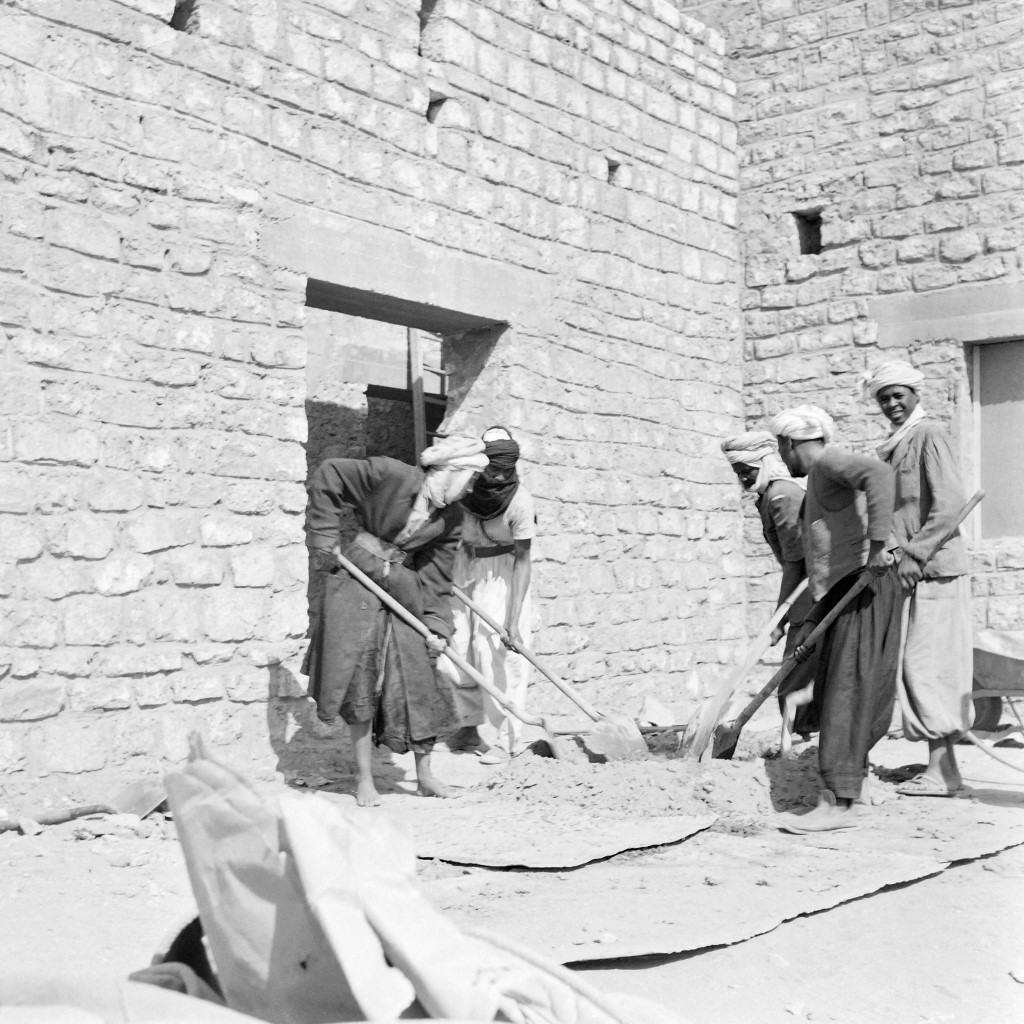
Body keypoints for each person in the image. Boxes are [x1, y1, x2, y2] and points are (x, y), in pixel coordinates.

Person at [302, 435, 488, 806]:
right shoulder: (391, 474)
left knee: (419, 676)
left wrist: (437, 626)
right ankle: (365, 780)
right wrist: (325, 536)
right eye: (468, 479)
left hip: (403, 587)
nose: (470, 489)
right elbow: (329, 474)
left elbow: (437, 578)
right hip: (357, 576)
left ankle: (424, 776)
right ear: (451, 472)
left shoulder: (451, 519)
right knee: (360, 677)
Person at [770, 405, 902, 833]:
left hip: (865, 583)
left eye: (780, 446)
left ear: (791, 443)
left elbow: (880, 476)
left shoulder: (828, 462)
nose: (780, 456)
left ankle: (838, 801)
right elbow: (824, 561)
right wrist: (810, 620)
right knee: (849, 687)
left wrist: (880, 544)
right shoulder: (817, 484)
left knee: (847, 688)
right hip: (850, 587)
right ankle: (855, 794)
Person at [866, 361, 973, 796]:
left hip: (937, 571)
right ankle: (941, 770)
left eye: (898, 395)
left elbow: (949, 504)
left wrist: (916, 552)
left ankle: (945, 774)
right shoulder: (893, 447)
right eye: (883, 397)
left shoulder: (929, 435)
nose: (892, 404)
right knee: (914, 670)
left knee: (929, 668)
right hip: (910, 573)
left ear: (915, 394)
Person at [443, 426, 536, 764]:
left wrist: (512, 618)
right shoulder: (466, 487)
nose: (498, 477)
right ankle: (468, 726)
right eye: (492, 469)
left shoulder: (520, 502)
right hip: (464, 567)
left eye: (505, 470)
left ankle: (507, 739)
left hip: (503, 574)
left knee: (498, 652)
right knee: (458, 648)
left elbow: (524, 561)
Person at [720, 431, 817, 743]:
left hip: (813, 594)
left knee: (793, 677)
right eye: (738, 474)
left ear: (762, 463)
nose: (744, 480)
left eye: (746, 472)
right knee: (796, 676)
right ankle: (803, 745)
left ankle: (803, 749)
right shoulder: (768, 496)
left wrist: (779, 619)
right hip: (804, 592)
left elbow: (796, 561)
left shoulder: (781, 497)